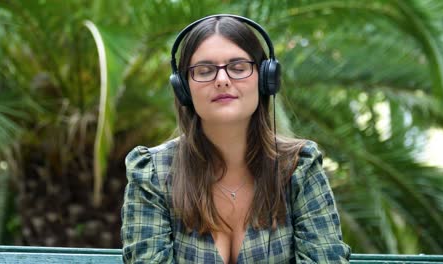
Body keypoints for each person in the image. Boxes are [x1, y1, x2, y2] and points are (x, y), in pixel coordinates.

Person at [121, 14, 351, 263]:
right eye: (204, 70)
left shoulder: (299, 167)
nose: (222, 80)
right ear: (183, 88)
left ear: (265, 78)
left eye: (238, 68)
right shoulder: (152, 173)